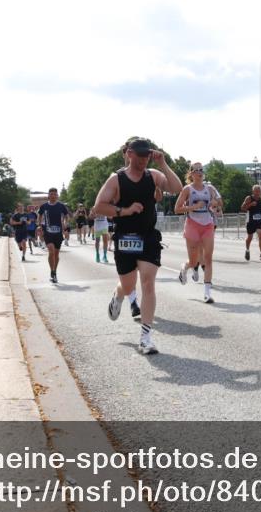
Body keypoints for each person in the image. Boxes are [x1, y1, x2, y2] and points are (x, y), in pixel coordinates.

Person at [92, 137, 182, 354]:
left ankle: (146, 337)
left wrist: (163, 163)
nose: (143, 160)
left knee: (148, 283)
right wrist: (125, 211)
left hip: (149, 237)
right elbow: (98, 207)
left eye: (147, 155)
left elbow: (177, 188)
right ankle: (119, 295)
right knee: (129, 285)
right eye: (140, 155)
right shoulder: (117, 179)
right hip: (125, 237)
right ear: (129, 153)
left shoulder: (154, 175)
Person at [174, 162, 222, 304]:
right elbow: (177, 209)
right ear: (191, 174)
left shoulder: (210, 189)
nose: (200, 172)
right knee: (194, 261)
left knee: (208, 258)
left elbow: (219, 204)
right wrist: (194, 206)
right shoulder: (187, 189)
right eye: (196, 170)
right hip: (192, 226)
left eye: (201, 170)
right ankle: (184, 268)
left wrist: (215, 203)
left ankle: (207, 293)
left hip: (207, 225)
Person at [37, 188, 69, 283]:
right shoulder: (44, 206)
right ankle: (52, 272)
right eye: (51, 194)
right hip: (48, 232)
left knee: (56, 254)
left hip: (58, 233)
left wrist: (65, 223)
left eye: (55, 194)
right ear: (48, 195)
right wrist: (40, 227)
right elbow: (39, 215)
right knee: (51, 251)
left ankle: (55, 270)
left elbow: (66, 216)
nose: (53, 196)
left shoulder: (61, 206)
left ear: (57, 195)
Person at [241, 185, 261, 261]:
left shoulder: (260, 199)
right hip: (251, 221)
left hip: (259, 220)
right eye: (256, 191)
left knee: (260, 235)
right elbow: (242, 208)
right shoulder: (249, 198)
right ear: (253, 191)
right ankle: (247, 250)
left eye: (259, 191)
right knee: (250, 237)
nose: (258, 193)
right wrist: (250, 204)